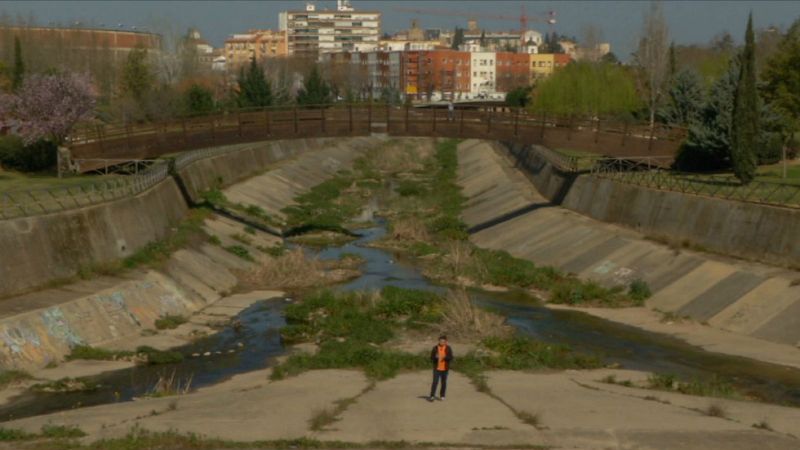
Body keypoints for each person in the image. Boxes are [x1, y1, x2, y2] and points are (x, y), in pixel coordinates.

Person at [429, 334, 453, 401]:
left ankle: (442, 395)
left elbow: (451, 357)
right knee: (435, 382)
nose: (441, 342)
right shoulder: (435, 348)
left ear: (445, 342)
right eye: (440, 341)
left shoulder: (448, 348)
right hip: (437, 368)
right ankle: (432, 396)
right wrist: (435, 357)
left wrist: (445, 357)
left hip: (445, 369)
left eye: (443, 341)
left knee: (444, 382)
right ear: (438, 341)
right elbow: (431, 357)